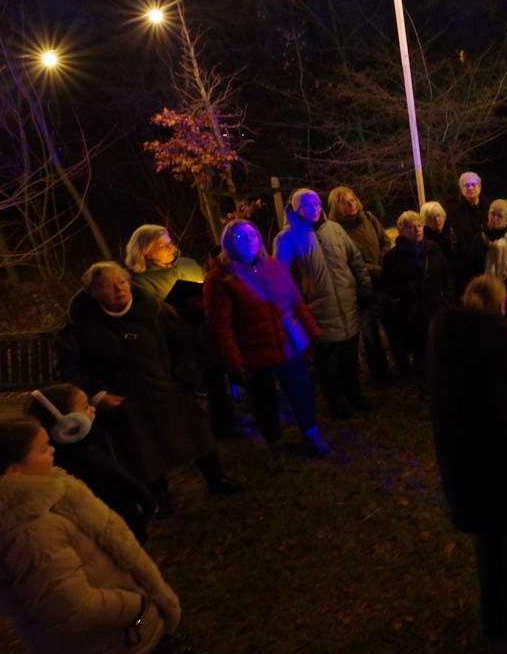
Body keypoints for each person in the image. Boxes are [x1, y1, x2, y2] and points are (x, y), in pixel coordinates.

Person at [0, 418, 181, 654]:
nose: (53, 450)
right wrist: (138, 606)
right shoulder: (28, 533)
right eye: (43, 449)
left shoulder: (34, 501)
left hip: (101, 641)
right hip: (95, 650)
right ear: (14, 472)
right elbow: (68, 609)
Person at [56, 262, 242, 515]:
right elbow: (69, 367)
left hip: (168, 387)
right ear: (93, 292)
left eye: (122, 282)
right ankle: (159, 496)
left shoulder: (152, 310)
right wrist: (98, 394)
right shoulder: (81, 326)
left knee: (195, 434)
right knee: (142, 452)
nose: (119, 289)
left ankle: (216, 479)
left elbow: (183, 340)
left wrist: (185, 373)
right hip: (124, 400)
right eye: (108, 286)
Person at [427, 275, 507, 640]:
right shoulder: (502, 335)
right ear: (500, 305)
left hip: (461, 447)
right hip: (501, 449)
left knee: (487, 533)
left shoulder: (443, 330)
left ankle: (493, 616)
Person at [204, 219, 328, 470]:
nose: (250, 241)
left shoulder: (272, 266)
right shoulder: (221, 279)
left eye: (253, 235)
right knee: (264, 403)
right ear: (229, 243)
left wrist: (312, 331)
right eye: (241, 237)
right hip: (254, 352)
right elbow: (220, 328)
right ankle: (275, 445)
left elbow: (295, 302)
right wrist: (234, 363)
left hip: (286, 345)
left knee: (301, 392)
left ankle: (311, 434)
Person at [125, 224, 240, 440]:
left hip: (204, 332)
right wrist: (176, 309)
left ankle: (225, 426)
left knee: (216, 380)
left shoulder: (187, 264)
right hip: (175, 343)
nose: (171, 248)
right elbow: (148, 315)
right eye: (163, 246)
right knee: (187, 388)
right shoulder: (139, 282)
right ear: (145, 252)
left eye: (170, 242)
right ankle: (193, 432)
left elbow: (208, 290)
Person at [274, 188, 374, 419]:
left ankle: (355, 395)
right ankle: (337, 403)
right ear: (297, 209)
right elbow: (283, 280)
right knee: (328, 363)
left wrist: (365, 288)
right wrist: (297, 311)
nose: (316, 208)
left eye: (318, 203)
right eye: (309, 205)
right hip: (319, 311)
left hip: (347, 305)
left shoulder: (334, 230)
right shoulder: (287, 239)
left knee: (349, 356)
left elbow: (355, 260)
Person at [23, 383, 158, 543]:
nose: (93, 409)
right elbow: (127, 488)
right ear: (68, 423)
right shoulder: (84, 458)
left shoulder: (53, 456)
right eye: (86, 406)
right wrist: (144, 506)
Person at [328, 186, 395, 384]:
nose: (351, 204)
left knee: (392, 324)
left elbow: (384, 240)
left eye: (353, 200)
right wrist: (374, 269)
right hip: (361, 287)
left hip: (383, 280)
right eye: (345, 203)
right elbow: (347, 260)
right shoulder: (336, 230)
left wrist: (383, 260)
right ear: (336, 207)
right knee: (370, 332)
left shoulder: (368, 218)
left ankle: (401, 363)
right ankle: (380, 373)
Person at [380, 210, 452, 389]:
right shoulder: (392, 258)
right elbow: (388, 286)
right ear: (402, 231)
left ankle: (443, 380)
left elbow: (447, 274)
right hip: (413, 313)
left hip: (436, 307)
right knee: (421, 351)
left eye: (419, 225)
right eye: (411, 227)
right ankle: (425, 386)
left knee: (440, 345)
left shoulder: (433, 249)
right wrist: (406, 291)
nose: (417, 229)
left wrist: (447, 296)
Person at [446, 171, 491, 286]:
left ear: (479, 186)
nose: (470, 188)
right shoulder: (455, 213)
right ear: (461, 189)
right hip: (467, 267)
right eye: (466, 185)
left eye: (473, 184)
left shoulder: (490, 208)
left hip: (489, 263)